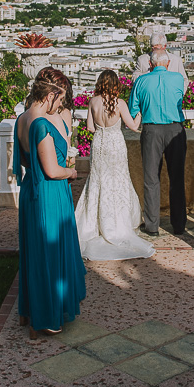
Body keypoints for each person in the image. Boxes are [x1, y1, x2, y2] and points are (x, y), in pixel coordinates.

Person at [14, 67, 86, 338]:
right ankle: (45, 318)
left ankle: (28, 311)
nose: (60, 104)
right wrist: (73, 172)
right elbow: (53, 170)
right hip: (48, 193)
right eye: (60, 98)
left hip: (31, 190)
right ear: (51, 95)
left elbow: (23, 160)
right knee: (50, 252)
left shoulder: (22, 119)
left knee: (34, 252)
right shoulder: (42, 123)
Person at [74, 70, 156, 260]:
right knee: (118, 180)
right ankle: (117, 223)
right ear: (115, 84)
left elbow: (90, 128)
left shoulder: (93, 102)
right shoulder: (119, 103)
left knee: (97, 180)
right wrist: (141, 114)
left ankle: (94, 223)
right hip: (115, 144)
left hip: (100, 143)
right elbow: (133, 126)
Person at [127, 48, 188, 235]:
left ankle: (152, 225)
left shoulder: (141, 81)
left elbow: (132, 109)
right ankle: (179, 225)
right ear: (168, 63)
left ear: (150, 64)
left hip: (151, 130)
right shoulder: (178, 79)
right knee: (177, 178)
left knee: (151, 179)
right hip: (175, 129)